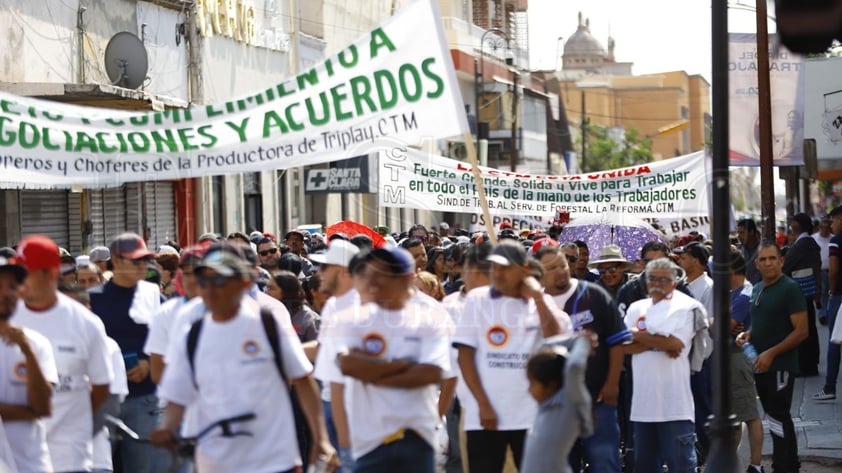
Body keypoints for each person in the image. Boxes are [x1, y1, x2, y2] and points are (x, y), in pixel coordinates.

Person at [150, 244, 337, 472]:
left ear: (244, 284)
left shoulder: (267, 324)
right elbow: (177, 394)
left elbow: (302, 379)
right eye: (205, 280)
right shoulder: (191, 333)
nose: (210, 289)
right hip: (215, 463)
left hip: (273, 460)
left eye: (220, 280)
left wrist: (321, 438)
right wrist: (166, 428)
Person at [318, 246, 452, 472]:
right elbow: (343, 370)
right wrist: (403, 366)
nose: (374, 281)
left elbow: (432, 373)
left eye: (384, 275)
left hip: (417, 437)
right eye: (370, 273)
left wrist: (368, 373)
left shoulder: (429, 320)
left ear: (406, 279)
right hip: (367, 442)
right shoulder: (346, 321)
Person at [453, 240, 572, 473]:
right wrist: (483, 404)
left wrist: (537, 297)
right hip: (485, 417)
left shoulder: (541, 302)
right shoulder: (477, 299)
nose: (497, 273)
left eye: (505, 267)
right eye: (494, 267)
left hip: (531, 416)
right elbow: (465, 357)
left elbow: (556, 340)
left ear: (524, 270)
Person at [13, 235, 114, 473]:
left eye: (26, 272)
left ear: (50, 273)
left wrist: (74, 420)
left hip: (70, 457)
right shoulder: (7, 319)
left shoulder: (86, 323)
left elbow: (102, 385)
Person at [535, 245, 628, 473]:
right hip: (553, 403)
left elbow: (616, 342)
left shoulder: (594, 295)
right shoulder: (532, 304)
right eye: (551, 268)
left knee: (604, 461)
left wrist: (611, 384)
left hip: (596, 399)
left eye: (563, 265)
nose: (560, 271)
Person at [88, 232, 166, 473]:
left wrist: (147, 364)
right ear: (117, 261)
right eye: (136, 261)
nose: (143, 266)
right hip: (103, 396)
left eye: (146, 260)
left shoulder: (155, 297)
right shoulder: (94, 298)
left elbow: (171, 344)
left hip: (143, 398)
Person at [623, 258, 704, 473]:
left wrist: (639, 338)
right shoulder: (635, 308)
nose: (657, 283)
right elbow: (622, 346)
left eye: (663, 279)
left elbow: (676, 344)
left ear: (674, 282)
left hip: (675, 408)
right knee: (645, 467)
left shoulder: (686, 307)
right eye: (652, 278)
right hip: (642, 408)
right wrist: (651, 339)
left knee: (682, 467)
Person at [737, 242, 808, 473]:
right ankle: (784, 463)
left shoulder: (790, 288)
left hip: (781, 365)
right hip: (760, 364)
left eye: (772, 258)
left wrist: (772, 353)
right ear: (756, 263)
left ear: (781, 261)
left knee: (779, 416)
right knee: (773, 416)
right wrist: (747, 335)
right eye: (763, 259)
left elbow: (801, 331)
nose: (768, 263)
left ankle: (787, 466)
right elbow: (759, 323)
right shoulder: (757, 288)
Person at [0, 255, 57, 473]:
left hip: (31, 466)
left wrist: (27, 352)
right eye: (0, 286)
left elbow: (43, 408)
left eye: (12, 287)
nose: (6, 293)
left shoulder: (36, 343)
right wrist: (27, 412)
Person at [520, 335, 593, 473]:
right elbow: (542, 346)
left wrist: (582, 341)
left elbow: (574, 367)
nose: (528, 390)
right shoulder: (543, 406)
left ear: (551, 385)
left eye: (532, 384)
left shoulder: (569, 401)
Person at [727, 249, 765, 473]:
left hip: (739, 358)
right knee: (738, 415)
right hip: (737, 357)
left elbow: (725, 327)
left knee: (749, 414)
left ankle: (756, 466)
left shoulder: (743, 295)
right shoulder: (737, 292)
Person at [782, 213, 821, 377]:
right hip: (807, 291)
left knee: (802, 330)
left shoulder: (801, 245)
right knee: (809, 327)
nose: (791, 224)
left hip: (799, 292)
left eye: (793, 222)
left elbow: (787, 266)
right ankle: (810, 365)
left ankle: (805, 365)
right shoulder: (808, 242)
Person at [815, 205, 842, 401]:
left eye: (832, 221)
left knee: (835, 340)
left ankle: (829, 387)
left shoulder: (835, 242)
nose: (831, 225)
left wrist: (832, 291)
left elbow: (833, 271)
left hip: (840, 296)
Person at [267, 270, 320, 343]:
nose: (267, 292)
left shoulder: (309, 319)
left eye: (272, 288)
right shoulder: (267, 315)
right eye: (267, 288)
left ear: (287, 292)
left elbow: (316, 349)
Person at [812, 216, 832, 325]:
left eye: (827, 227)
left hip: (832, 269)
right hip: (820, 271)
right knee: (822, 293)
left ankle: (828, 313)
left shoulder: (833, 238)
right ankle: (822, 314)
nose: (825, 230)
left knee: (831, 293)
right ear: (819, 227)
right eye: (823, 227)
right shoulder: (814, 239)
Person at [737, 218, 762, 284]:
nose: (739, 236)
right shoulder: (738, 251)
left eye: (742, 233)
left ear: (751, 232)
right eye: (738, 233)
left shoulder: (764, 250)